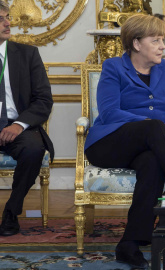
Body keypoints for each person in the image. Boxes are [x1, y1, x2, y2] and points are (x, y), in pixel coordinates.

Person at [84, 14, 165, 269]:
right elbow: (110, 112)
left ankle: (130, 244)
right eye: (155, 40)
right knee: (154, 127)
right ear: (136, 44)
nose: (162, 46)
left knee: (152, 163)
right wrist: (153, 124)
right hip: (109, 144)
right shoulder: (113, 67)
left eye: (163, 40)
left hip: (147, 146)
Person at [0, 1, 54, 237]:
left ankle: (11, 211)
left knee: (34, 150)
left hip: (17, 125)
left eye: (7, 17)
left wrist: (19, 124)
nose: (7, 23)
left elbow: (43, 100)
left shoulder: (27, 54)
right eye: (0, 19)